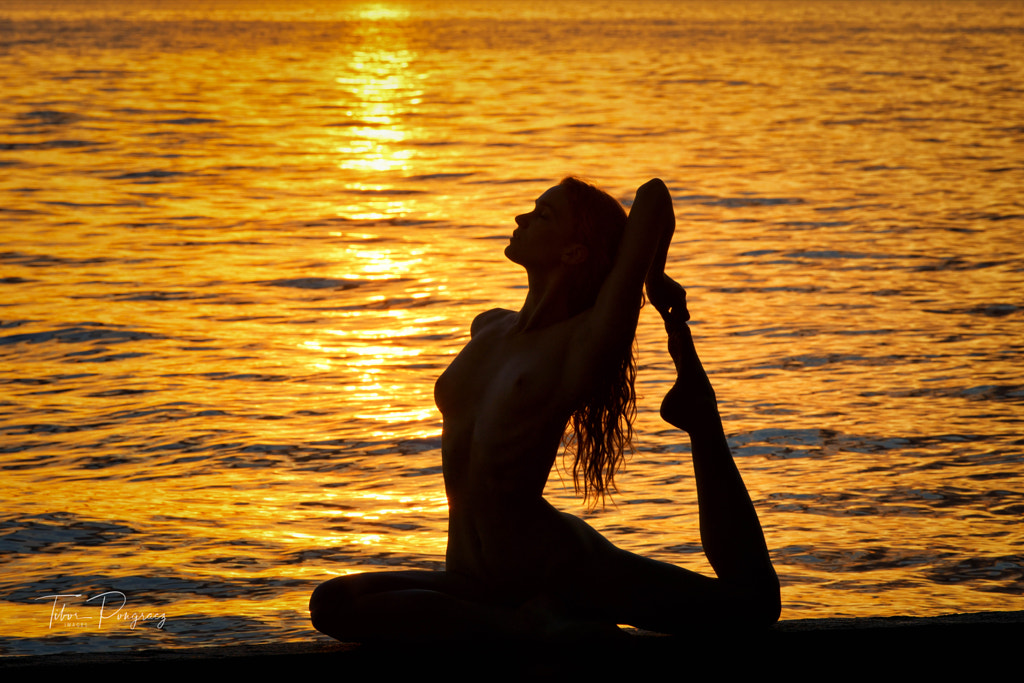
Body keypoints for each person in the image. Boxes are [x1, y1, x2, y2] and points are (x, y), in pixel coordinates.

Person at [309, 177, 780, 641]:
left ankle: (702, 422)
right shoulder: (488, 328)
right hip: (472, 574)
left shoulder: (585, 339)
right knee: (333, 604)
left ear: (574, 252)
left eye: (544, 215)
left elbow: (653, 196)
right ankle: (528, 623)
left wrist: (653, 278)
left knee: (751, 606)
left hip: (555, 567)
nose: (522, 217)